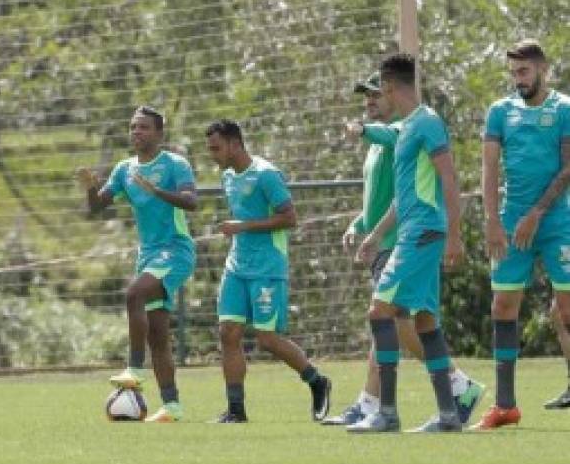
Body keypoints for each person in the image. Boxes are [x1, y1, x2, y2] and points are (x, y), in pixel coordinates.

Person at [328, 73, 484, 426]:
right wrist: (368, 230)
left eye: (376, 92)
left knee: (383, 314)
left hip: (417, 236)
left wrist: (455, 235)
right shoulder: (402, 135)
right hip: (403, 235)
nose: (371, 100)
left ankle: (385, 411)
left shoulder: (415, 126)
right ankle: (446, 412)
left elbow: (447, 176)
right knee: (419, 320)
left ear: (391, 90)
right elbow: (400, 197)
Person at [205, 119, 331, 423]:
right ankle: (236, 410)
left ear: (235, 144)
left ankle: (317, 381)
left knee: (267, 339)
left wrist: (243, 226)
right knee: (228, 333)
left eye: (216, 148)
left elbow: (290, 218)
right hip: (237, 266)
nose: (212, 154)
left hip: (267, 269)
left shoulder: (266, 175)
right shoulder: (227, 177)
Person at [76, 106, 197, 423]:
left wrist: (157, 190)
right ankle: (172, 406)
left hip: (176, 250)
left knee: (133, 294)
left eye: (143, 127)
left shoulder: (175, 164)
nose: (136, 133)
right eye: (132, 127)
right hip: (149, 255)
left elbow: (191, 202)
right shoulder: (124, 169)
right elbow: (97, 207)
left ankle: (133, 368)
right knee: (158, 333)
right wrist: (91, 187)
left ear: (159, 133)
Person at [475, 40, 570, 430]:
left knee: (566, 311)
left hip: (558, 222)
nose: (518, 81)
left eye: (524, 72)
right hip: (512, 223)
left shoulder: (564, 109)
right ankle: (505, 406)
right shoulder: (500, 112)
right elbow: (489, 170)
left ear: (541, 68)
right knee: (502, 307)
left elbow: (568, 169)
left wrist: (538, 213)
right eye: (513, 73)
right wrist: (493, 221)